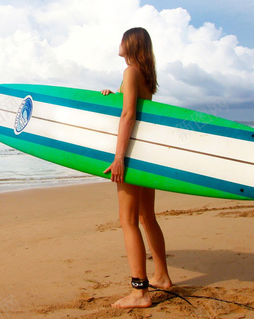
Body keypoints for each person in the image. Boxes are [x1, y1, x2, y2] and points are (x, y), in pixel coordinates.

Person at [101, 27, 173, 309]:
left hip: (130, 154)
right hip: (146, 155)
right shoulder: (144, 75)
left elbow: (129, 115)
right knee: (147, 217)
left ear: (129, 44)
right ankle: (162, 277)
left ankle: (140, 292)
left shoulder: (130, 71)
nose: (118, 44)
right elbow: (132, 107)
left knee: (128, 221)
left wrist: (119, 158)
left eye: (121, 39)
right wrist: (112, 96)